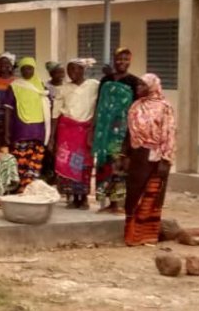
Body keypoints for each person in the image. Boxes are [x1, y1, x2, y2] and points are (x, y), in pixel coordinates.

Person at [124, 74, 177, 246]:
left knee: (152, 195)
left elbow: (169, 133)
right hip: (138, 155)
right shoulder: (136, 106)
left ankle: (147, 235)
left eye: (142, 85)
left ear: (152, 86)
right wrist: (124, 155)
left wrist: (165, 159)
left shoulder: (165, 107)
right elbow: (129, 134)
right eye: (137, 84)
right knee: (133, 193)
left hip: (156, 156)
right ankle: (131, 235)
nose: (138, 87)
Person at [93, 47, 143, 214]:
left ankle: (118, 204)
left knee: (119, 167)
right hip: (104, 131)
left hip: (122, 132)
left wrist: (131, 134)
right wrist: (94, 128)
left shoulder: (134, 82)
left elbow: (136, 109)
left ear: (130, 61)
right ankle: (109, 203)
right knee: (104, 166)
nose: (122, 62)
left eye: (126, 59)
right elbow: (99, 105)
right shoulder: (105, 80)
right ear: (114, 60)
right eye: (119, 59)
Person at [51, 59, 100, 209]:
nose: (72, 73)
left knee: (84, 165)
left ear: (83, 70)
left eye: (75, 69)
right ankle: (72, 197)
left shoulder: (94, 85)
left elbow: (98, 106)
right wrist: (52, 137)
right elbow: (55, 113)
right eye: (69, 70)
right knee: (68, 164)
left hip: (86, 130)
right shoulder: (63, 89)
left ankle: (83, 197)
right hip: (67, 130)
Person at [4, 57, 51, 192]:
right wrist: (7, 132)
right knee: (21, 161)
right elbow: (8, 110)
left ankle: (29, 188)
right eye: (24, 68)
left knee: (34, 163)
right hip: (20, 130)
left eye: (30, 68)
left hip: (38, 131)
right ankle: (20, 188)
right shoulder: (15, 86)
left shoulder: (41, 86)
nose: (27, 71)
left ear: (34, 69)